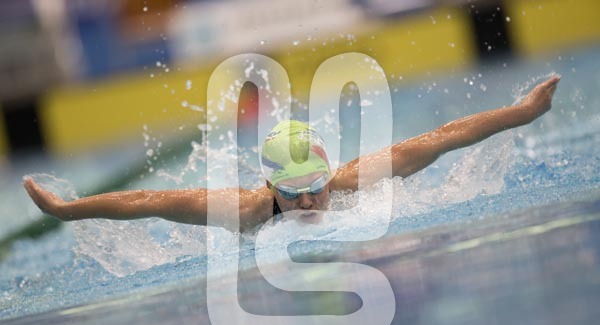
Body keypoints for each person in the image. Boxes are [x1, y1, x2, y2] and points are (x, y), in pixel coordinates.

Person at [24, 76, 560, 232]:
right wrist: (66, 210)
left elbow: (442, 137)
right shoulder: (244, 210)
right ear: (269, 186)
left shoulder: (351, 181)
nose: (307, 203)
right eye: (293, 192)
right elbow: (148, 201)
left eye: (315, 188)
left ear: (329, 174)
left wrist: (523, 112)